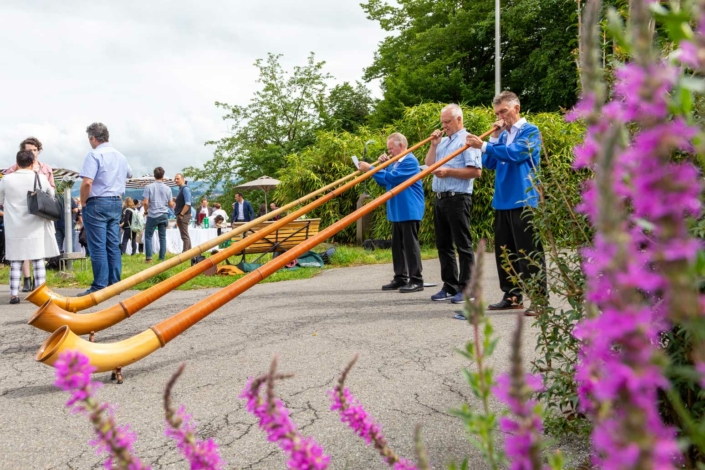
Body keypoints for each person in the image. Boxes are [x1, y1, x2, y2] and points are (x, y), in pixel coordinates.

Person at [465, 91, 547, 315]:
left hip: (524, 198)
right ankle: (512, 295)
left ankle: (539, 299)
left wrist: (483, 145)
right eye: (498, 113)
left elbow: (517, 154)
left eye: (504, 111)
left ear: (517, 108)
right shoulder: (502, 135)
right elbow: (490, 162)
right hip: (502, 200)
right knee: (506, 253)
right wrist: (492, 138)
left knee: (529, 252)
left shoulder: (530, 131)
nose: (501, 116)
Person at [425, 103, 482, 304]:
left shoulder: (468, 141)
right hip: (440, 197)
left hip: (458, 197)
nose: (445, 125)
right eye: (442, 122)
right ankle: (450, 285)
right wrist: (433, 144)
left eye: (447, 122)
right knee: (443, 244)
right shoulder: (443, 142)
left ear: (459, 120)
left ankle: (468, 288)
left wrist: (449, 172)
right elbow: (429, 164)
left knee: (463, 244)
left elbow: (475, 171)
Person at [359, 132, 425, 293]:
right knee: (397, 246)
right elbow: (384, 180)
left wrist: (372, 168)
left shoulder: (409, 161)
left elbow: (392, 178)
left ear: (401, 146)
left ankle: (416, 279)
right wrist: (381, 166)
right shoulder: (395, 162)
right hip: (397, 209)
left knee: (410, 246)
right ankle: (400, 277)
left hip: (409, 208)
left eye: (391, 149)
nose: (389, 152)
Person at [78, 122, 132, 296]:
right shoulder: (121, 156)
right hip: (116, 201)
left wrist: (83, 202)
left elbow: (87, 182)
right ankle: (114, 283)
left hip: (97, 202)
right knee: (113, 244)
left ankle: (100, 285)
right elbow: (129, 174)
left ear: (93, 138)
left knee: (97, 246)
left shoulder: (94, 155)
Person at [0, 150, 60, 304]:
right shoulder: (39, 177)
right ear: (33, 162)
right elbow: (51, 194)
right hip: (36, 223)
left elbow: (1, 199)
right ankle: (41, 294)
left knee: (16, 260)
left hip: (15, 225)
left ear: (16, 163)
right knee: (38, 258)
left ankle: (14, 294)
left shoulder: (6, 179)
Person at [142, 167, 172, 263]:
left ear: (154, 175)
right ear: (163, 176)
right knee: (162, 237)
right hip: (164, 214)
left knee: (148, 236)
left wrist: (146, 211)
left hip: (153, 214)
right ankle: (162, 258)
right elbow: (171, 204)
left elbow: (146, 202)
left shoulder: (148, 187)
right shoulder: (168, 188)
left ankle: (149, 258)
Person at [173, 173, 193, 252]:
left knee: (184, 236)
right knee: (185, 235)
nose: (176, 180)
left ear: (183, 179)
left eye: (178, 179)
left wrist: (181, 214)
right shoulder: (181, 189)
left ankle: (185, 253)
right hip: (182, 214)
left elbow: (188, 203)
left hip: (183, 215)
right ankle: (190, 252)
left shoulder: (185, 189)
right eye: (175, 179)